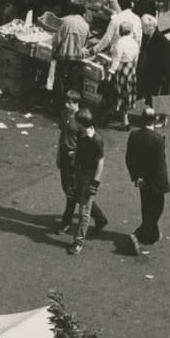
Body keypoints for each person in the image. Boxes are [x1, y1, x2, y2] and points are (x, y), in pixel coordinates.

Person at [123, 107, 170, 256]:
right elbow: (160, 165)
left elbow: (129, 158)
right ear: (155, 120)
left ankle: (152, 235)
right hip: (155, 181)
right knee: (157, 208)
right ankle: (138, 235)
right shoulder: (158, 139)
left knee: (146, 206)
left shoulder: (134, 135)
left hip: (141, 179)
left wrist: (137, 177)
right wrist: (164, 183)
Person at [64, 109, 108, 256]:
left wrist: (95, 183)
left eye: (76, 121)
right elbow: (79, 151)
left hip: (89, 176)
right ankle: (101, 220)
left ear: (82, 124)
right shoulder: (82, 135)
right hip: (80, 173)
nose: (74, 123)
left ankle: (78, 242)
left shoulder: (96, 140)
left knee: (84, 212)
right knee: (81, 200)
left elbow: (100, 162)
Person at [92, 0, 142, 123]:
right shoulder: (136, 19)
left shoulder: (116, 20)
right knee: (126, 90)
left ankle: (105, 114)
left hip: (118, 63)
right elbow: (139, 41)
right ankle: (124, 117)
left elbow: (107, 39)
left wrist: (95, 49)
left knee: (111, 90)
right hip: (130, 65)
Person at [53, 93, 84, 231]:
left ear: (76, 103)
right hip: (65, 155)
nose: (67, 105)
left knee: (71, 191)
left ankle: (66, 221)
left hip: (75, 157)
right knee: (67, 188)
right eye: (66, 101)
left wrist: (77, 154)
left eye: (70, 102)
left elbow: (86, 142)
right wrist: (58, 155)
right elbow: (62, 136)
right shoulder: (64, 114)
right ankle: (99, 217)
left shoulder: (82, 118)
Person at [52, 4, 91, 105]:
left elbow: (57, 39)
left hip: (64, 56)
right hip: (77, 58)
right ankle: (72, 104)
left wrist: (54, 50)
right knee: (73, 82)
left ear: (73, 11)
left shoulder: (67, 21)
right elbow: (86, 44)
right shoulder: (86, 25)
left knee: (60, 81)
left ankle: (58, 104)